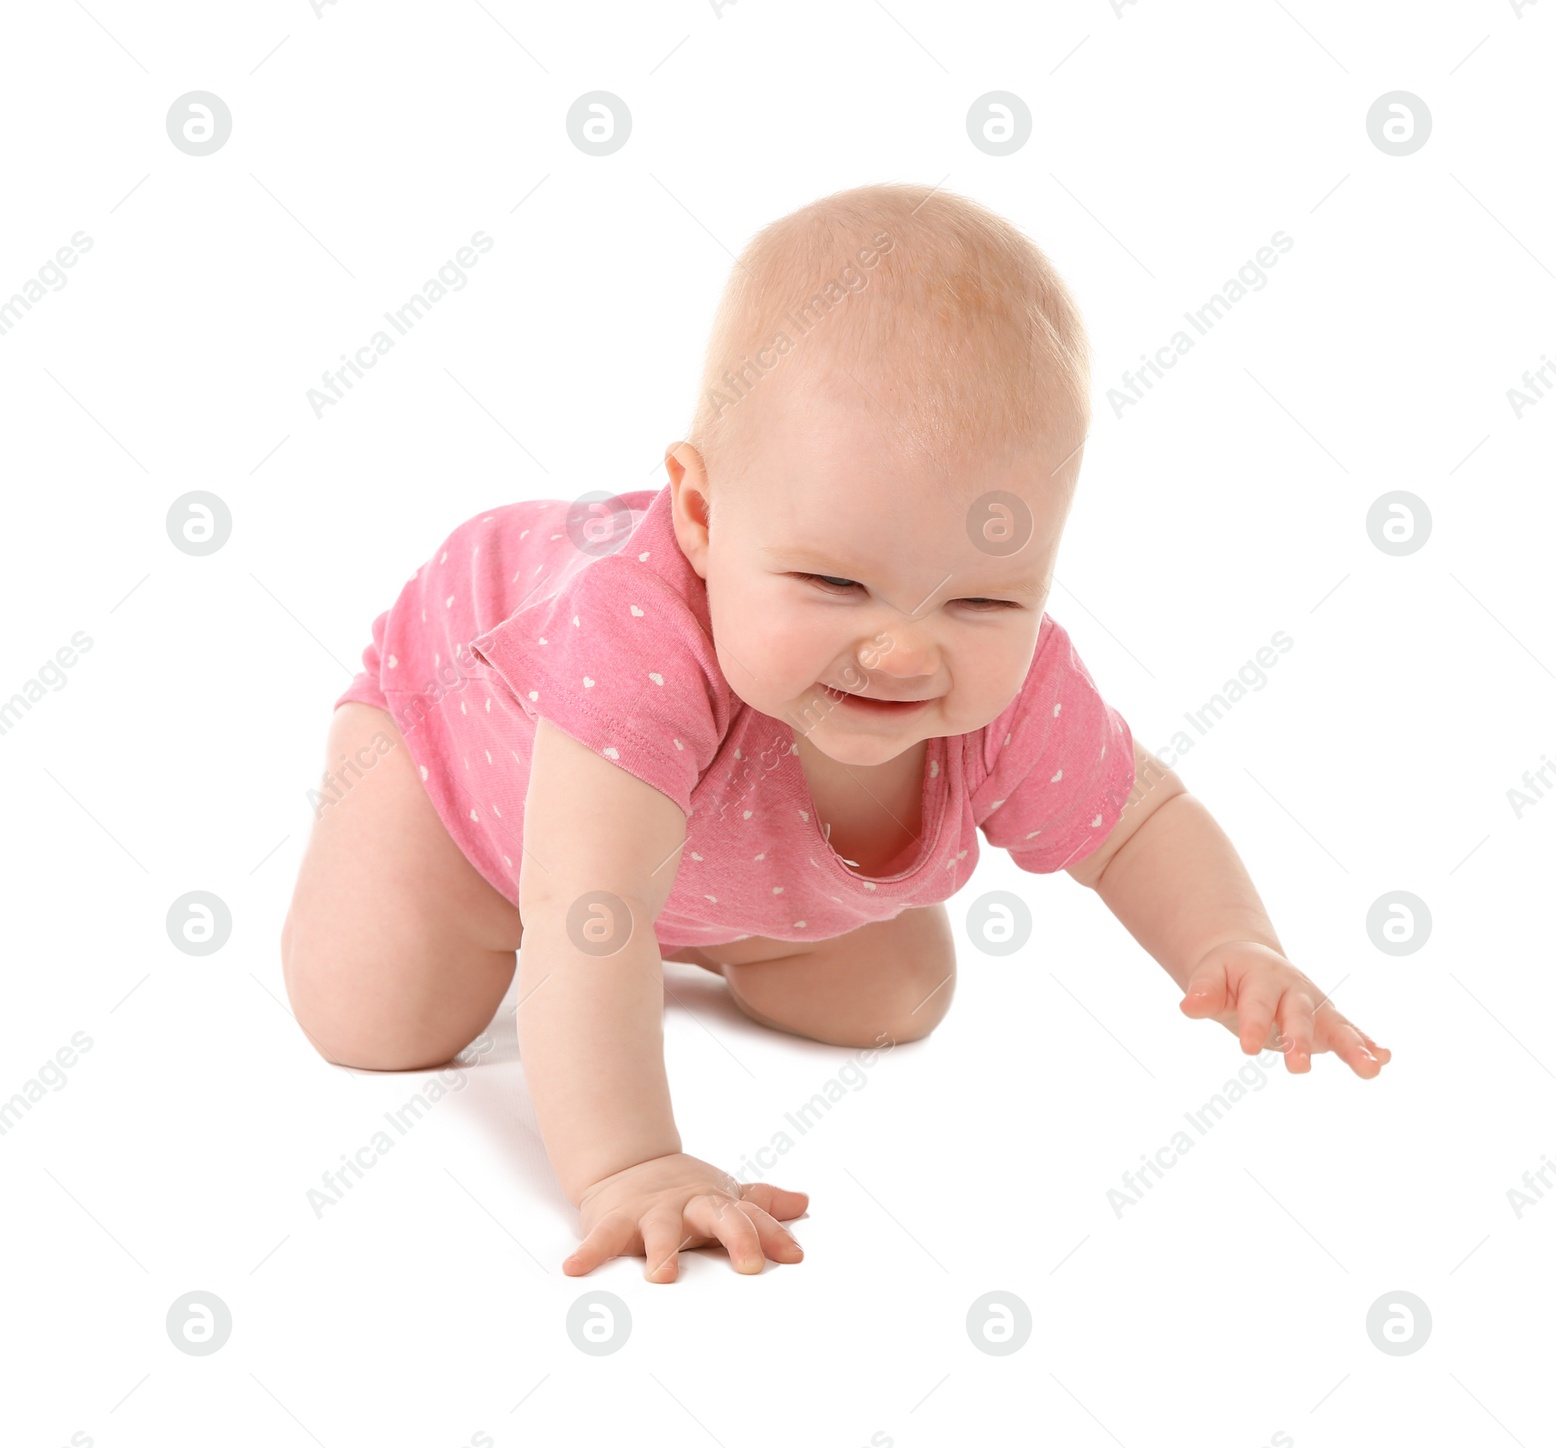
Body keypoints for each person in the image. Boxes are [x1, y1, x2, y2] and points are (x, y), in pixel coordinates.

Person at [279, 181, 1391, 1285]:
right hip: (461, 754)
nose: (904, 650)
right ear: (702, 517)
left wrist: (1233, 944)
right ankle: (459, 860)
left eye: (980, 601)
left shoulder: (1015, 683)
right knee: (378, 1018)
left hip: (672, 852)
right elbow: (588, 908)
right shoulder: (638, 641)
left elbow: (1138, 820)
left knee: (892, 999)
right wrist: (631, 1164)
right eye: (833, 580)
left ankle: (704, 920)